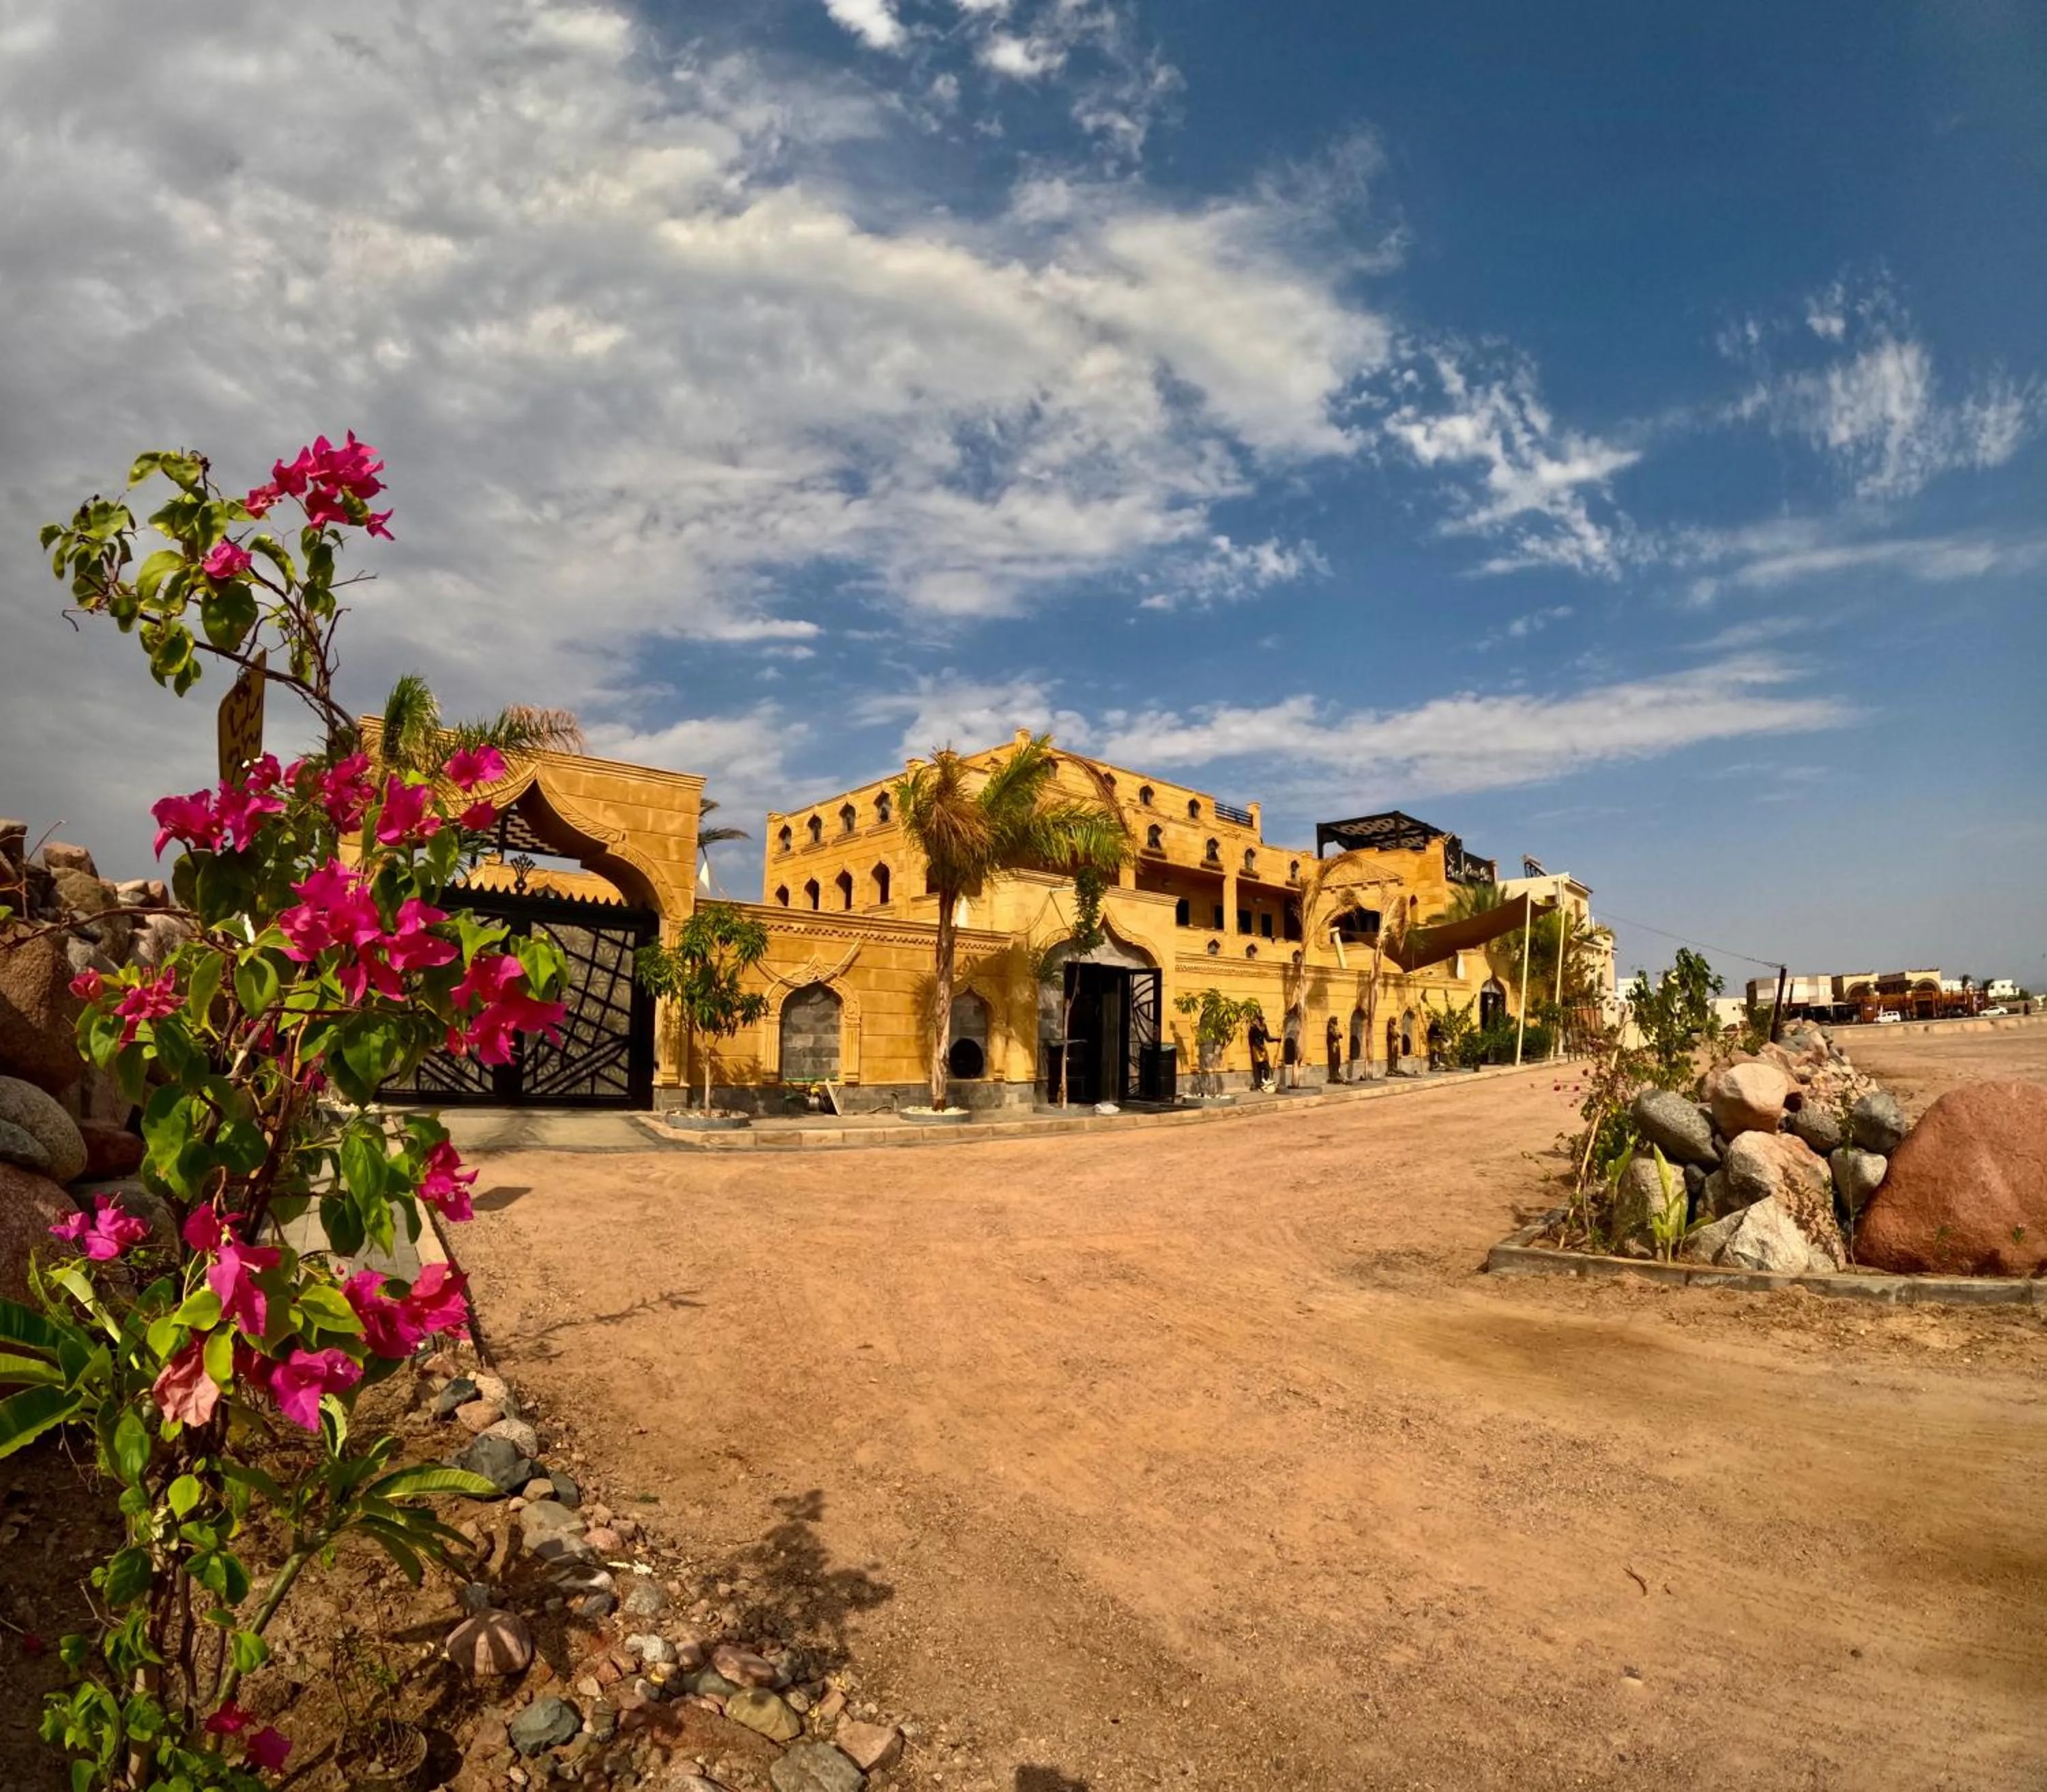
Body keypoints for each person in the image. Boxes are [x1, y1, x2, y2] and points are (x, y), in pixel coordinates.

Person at [1246, 1009, 1273, 1093]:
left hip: (1263, 1048)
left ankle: (1266, 1080)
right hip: (1256, 1048)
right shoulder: (1253, 1028)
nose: (1262, 1021)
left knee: (1265, 1065)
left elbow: (1268, 1038)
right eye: (1260, 1019)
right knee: (1258, 1066)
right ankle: (1259, 1083)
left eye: (1262, 1019)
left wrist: (1276, 1039)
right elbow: (1252, 1039)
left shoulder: (1264, 1027)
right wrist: (1259, 1046)